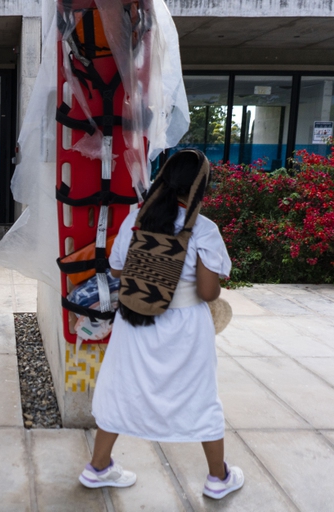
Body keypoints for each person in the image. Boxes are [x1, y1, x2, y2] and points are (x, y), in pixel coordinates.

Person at [79, 149, 244, 500]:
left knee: (122, 388)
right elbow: (208, 291)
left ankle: (97, 467)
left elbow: (119, 269)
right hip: (185, 328)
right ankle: (218, 477)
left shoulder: (137, 218)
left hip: (136, 318)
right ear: (201, 187)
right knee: (199, 395)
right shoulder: (203, 228)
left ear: (164, 178)